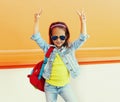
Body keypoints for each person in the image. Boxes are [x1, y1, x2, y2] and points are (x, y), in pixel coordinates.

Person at [31, 9, 89, 102]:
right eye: (55, 37)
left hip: (64, 86)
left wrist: (83, 22)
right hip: (50, 87)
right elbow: (36, 37)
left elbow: (82, 38)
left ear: (66, 36)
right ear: (51, 37)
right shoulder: (47, 49)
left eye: (62, 37)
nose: (58, 40)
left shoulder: (70, 48)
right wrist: (36, 21)